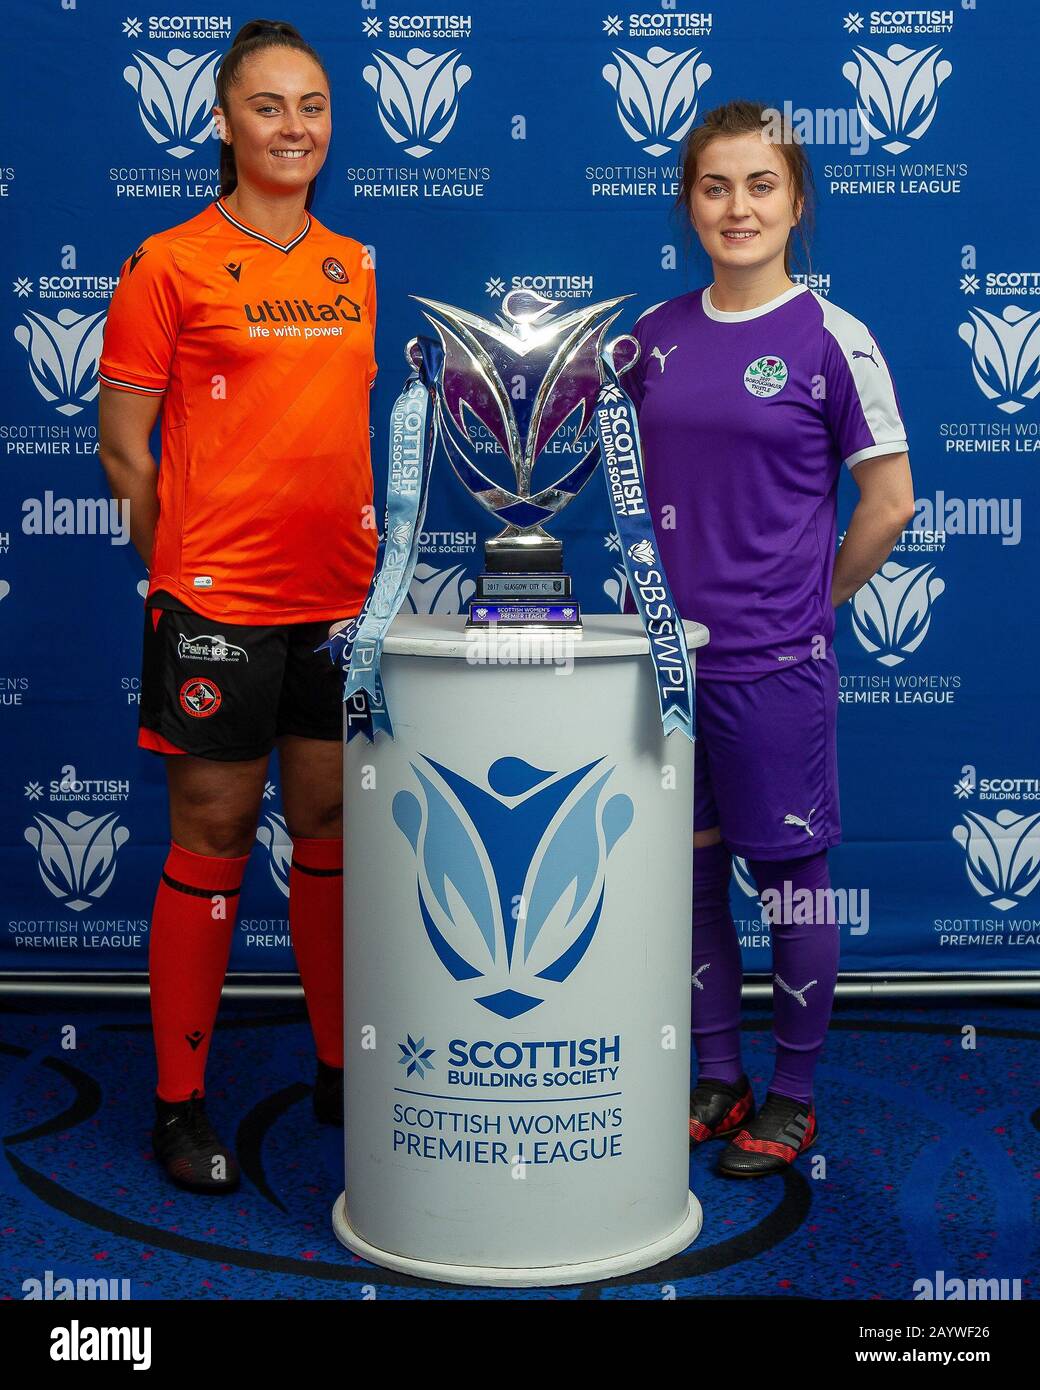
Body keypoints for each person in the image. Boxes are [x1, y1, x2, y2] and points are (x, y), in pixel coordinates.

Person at [98, 19, 377, 1193]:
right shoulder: (167, 260)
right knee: (211, 840)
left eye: (311, 106)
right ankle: (177, 1105)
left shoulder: (353, 263)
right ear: (221, 122)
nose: (293, 128)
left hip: (337, 606)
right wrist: (190, 573)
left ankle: (334, 1067)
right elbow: (124, 448)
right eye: (269, 106)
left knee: (327, 831)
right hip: (216, 604)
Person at [625, 100, 914, 1175]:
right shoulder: (646, 339)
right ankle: (717, 1072)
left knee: (791, 883)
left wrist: (809, 600)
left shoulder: (831, 338)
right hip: (658, 671)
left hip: (770, 670)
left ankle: (790, 1093)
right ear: (687, 204)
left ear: (795, 201)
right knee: (690, 880)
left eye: (759, 185)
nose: (736, 206)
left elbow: (889, 502)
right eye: (713, 186)